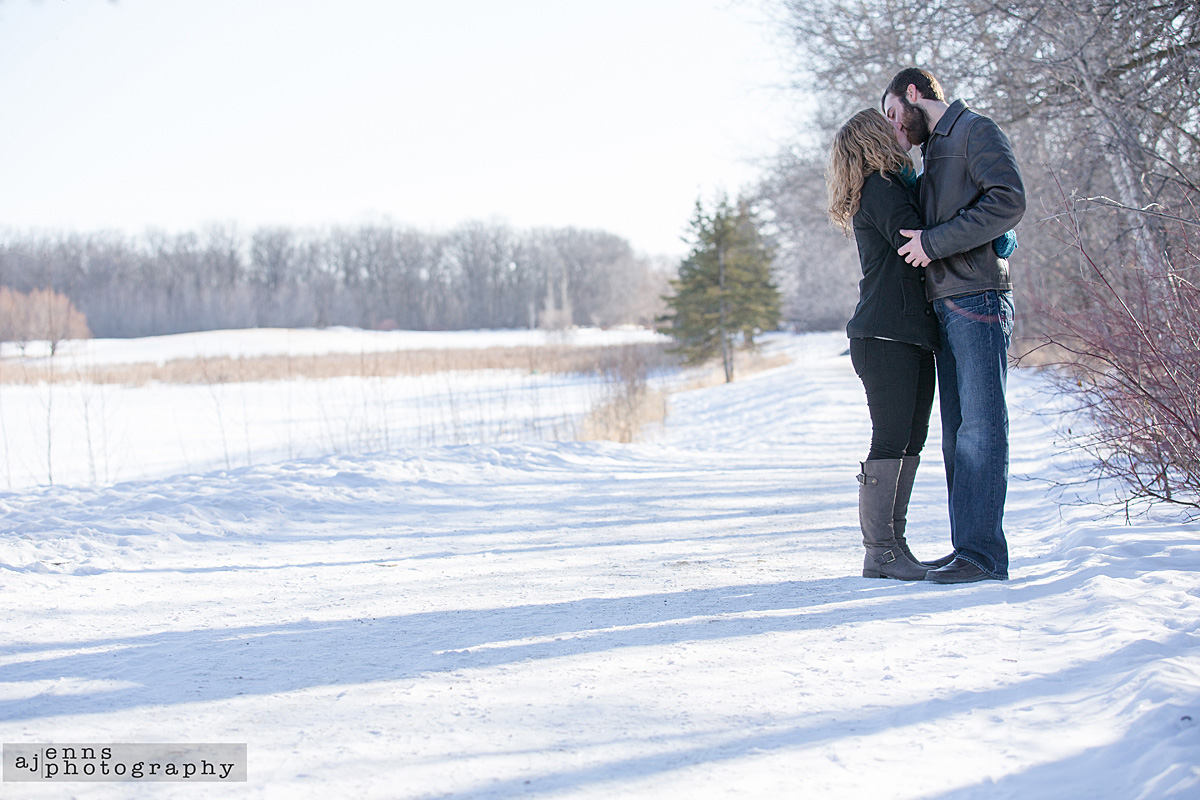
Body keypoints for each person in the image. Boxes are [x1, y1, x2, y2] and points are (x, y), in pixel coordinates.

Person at [881, 68, 1026, 583]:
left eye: (895, 115)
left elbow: (1008, 201)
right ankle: (969, 548)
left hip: (980, 297)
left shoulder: (974, 130)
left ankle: (984, 557)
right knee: (957, 433)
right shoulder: (932, 152)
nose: (897, 128)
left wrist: (934, 243)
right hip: (945, 302)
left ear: (914, 94)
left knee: (983, 429)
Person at [827, 109, 952, 581]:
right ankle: (879, 552)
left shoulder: (887, 186)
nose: (900, 130)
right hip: (884, 334)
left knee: (911, 440)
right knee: (891, 439)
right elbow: (913, 239)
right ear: (874, 140)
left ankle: (895, 548)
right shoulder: (880, 187)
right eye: (890, 126)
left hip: (906, 333)